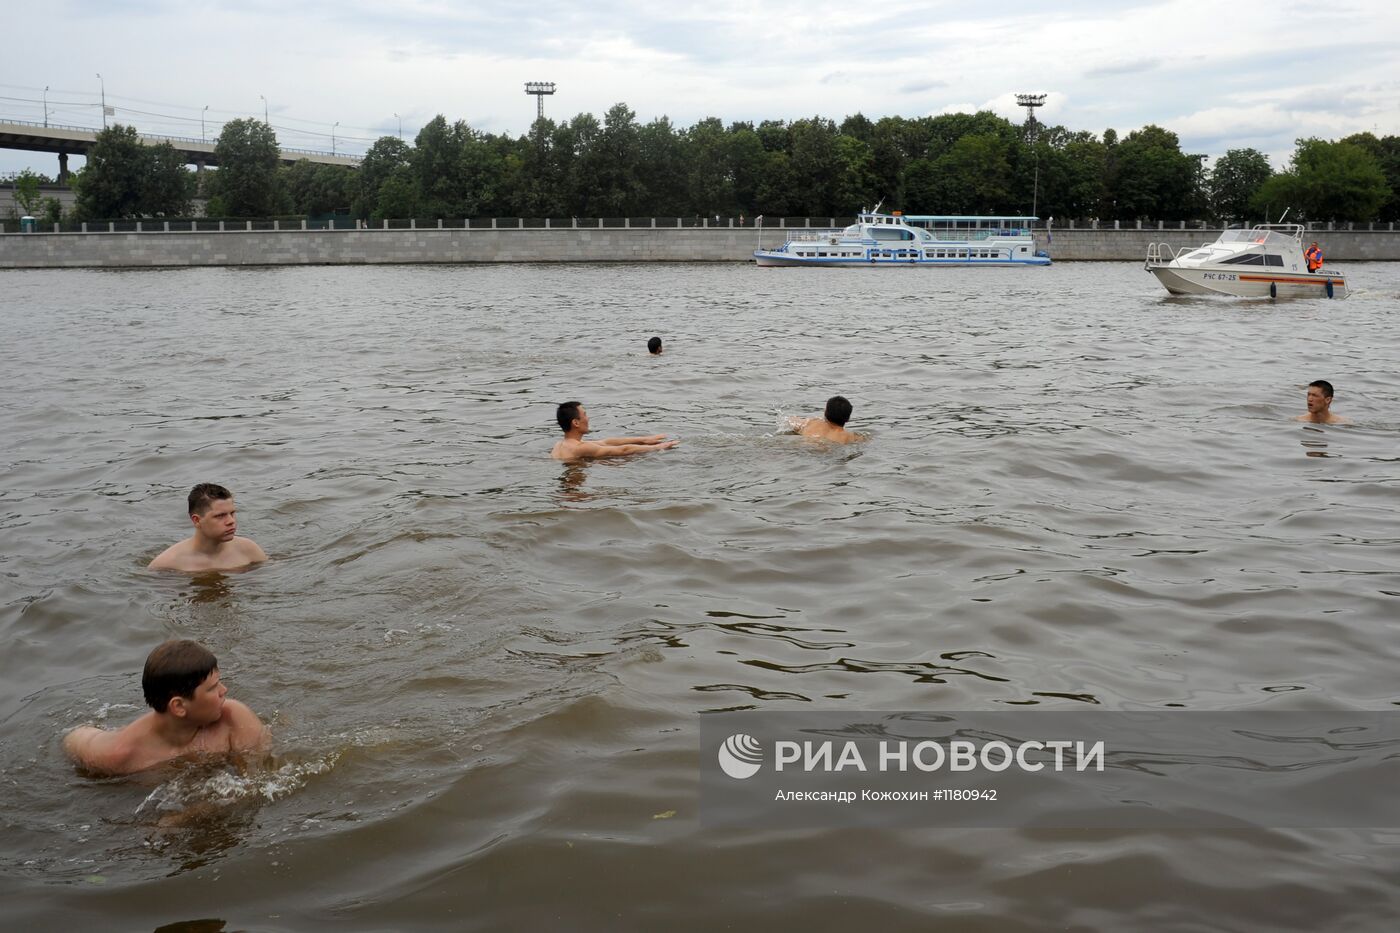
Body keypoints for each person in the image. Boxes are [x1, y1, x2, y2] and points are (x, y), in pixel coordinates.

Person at [63, 639, 269, 775]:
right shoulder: (119, 754)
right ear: (179, 706)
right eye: (213, 688)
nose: (224, 690)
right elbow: (74, 738)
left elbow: (260, 780)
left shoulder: (234, 718)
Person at [149, 483, 268, 572]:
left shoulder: (249, 550)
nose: (231, 521)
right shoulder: (168, 564)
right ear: (197, 520)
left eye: (232, 513)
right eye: (220, 516)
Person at [551, 401, 678, 460]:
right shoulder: (580, 448)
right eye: (585, 414)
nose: (588, 418)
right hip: (575, 494)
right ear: (576, 422)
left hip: (569, 488)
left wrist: (644, 440)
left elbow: (605, 442)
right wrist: (659, 447)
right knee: (619, 461)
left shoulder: (560, 444)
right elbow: (623, 450)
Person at [788, 395, 863, 444]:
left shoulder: (812, 422)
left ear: (825, 412)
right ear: (848, 418)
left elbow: (791, 420)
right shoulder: (849, 436)